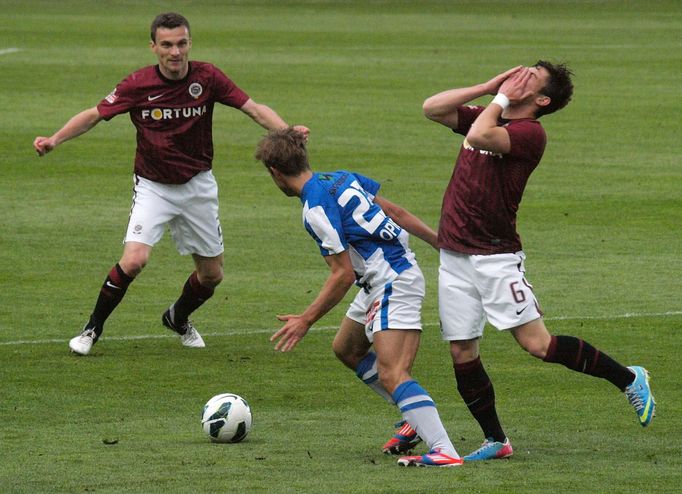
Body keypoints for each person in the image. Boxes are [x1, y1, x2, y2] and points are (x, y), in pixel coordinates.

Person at [409, 62, 655, 461]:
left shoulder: (529, 133)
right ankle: (496, 441)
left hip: (495, 258)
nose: (516, 77)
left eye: (529, 78)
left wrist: (501, 97)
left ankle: (629, 377)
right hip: (455, 255)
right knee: (461, 352)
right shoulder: (492, 113)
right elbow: (431, 108)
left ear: (541, 100)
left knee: (538, 345)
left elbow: (479, 135)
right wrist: (488, 86)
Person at [33, 12, 309, 355]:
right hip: (153, 187)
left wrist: (288, 133)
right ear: (154, 47)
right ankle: (91, 329)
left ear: (189, 43)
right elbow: (93, 115)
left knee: (211, 276)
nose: (175, 52)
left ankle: (177, 317)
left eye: (181, 43)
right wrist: (55, 140)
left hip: (198, 186)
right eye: (166, 45)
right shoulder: (137, 85)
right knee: (134, 260)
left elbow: (253, 108)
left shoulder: (207, 77)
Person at [255, 127, 462, 467]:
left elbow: (341, 274)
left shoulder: (314, 208)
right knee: (347, 349)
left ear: (275, 173)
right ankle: (414, 420)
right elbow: (396, 213)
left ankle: (444, 450)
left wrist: (306, 320)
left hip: (392, 282)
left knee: (393, 372)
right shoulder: (340, 178)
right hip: (385, 276)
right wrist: (441, 243)